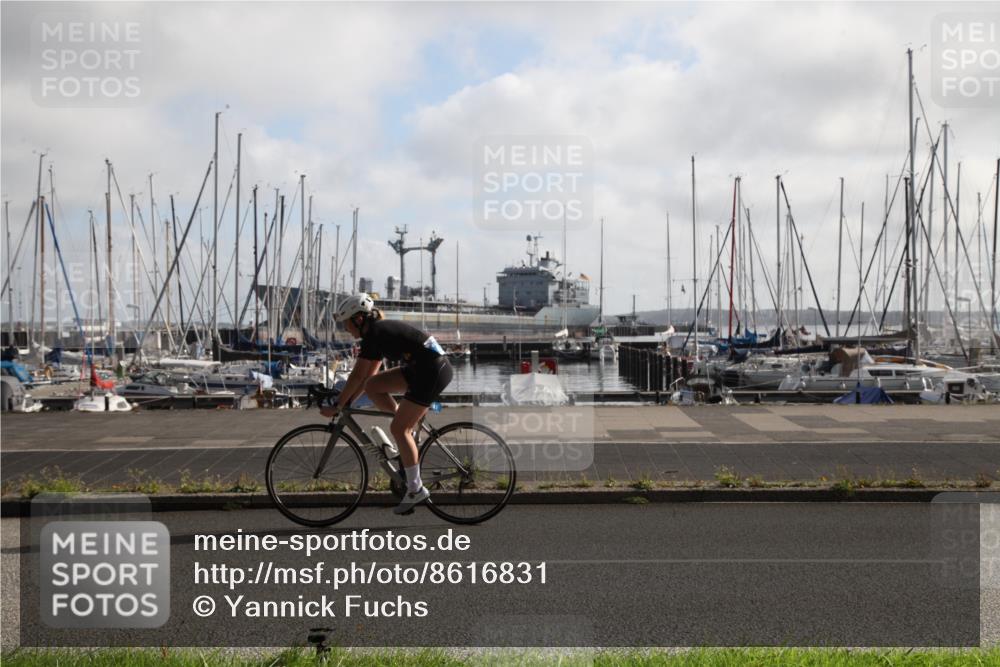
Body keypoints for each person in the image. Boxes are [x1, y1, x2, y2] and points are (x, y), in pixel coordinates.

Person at [321, 293, 453, 514]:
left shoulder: (375, 334)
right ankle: (405, 439)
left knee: (399, 428)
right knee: (374, 386)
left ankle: (415, 488)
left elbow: (356, 376)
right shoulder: (376, 334)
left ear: (359, 319)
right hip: (420, 368)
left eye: (346, 323)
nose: (346, 328)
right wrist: (345, 402)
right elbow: (365, 380)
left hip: (431, 372)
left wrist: (338, 404)